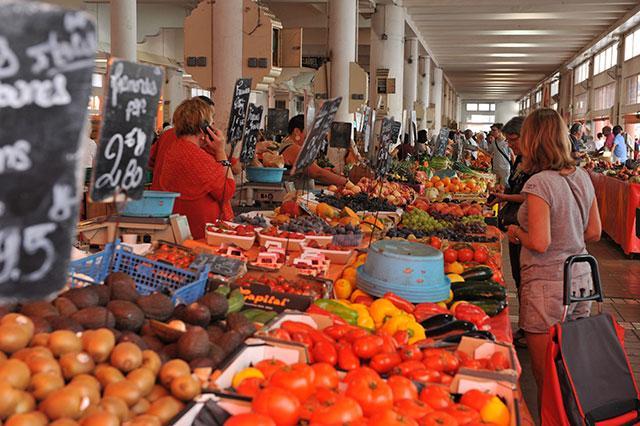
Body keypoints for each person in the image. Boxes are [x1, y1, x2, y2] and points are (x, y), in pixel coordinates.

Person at [506, 108, 601, 401]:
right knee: (571, 367)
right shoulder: (583, 176)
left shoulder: (539, 183)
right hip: (581, 280)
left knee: (545, 374)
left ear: (533, 141)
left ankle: (553, 419)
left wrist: (515, 232)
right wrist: (567, 237)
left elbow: (539, 242)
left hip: (547, 283)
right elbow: (594, 231)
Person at [156, 98, 236, 239]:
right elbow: (227, 190)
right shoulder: (196, 157)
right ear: (203, 128)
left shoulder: (175, 149)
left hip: (185, 225)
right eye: (212, 122)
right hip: (203, 232)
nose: (214, 125)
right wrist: (220, 152)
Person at [487, 116, 529, 346]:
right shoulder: (521, 159)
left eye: (513, 139)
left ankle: (527, 327)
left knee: (525, 277)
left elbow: (530, 196)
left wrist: (505, 197)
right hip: (514, 226)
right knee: (518, 276)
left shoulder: (536, 165)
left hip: (526, 228)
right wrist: (505, 190)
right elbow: (517, 188)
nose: (510, 144)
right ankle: (525, 324)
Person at [279, 114, 349, 187]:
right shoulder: (294, 149)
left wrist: (324, 171)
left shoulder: (286, 145)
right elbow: (317, 173)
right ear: (297, 131)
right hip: (294, 196)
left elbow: (311, 171)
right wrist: (346, 182)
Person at [488, 123, 511, 187]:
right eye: (491, 130)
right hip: (495, 168)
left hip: (504, 169)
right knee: (495, 187)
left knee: (502, 188)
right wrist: (479, 149)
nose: (492, 132)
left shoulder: (507, 142)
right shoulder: (494, 142)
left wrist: (513, 169)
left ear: (500, 131)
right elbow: (489, 153)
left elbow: (512, 156)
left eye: (494, 130)